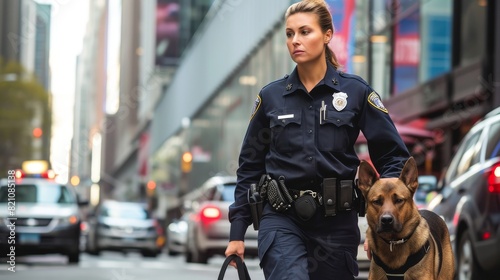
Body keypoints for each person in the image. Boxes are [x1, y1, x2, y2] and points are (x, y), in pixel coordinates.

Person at [225, 0, 410, 279]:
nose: (295, 41)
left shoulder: (356, 92)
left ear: (327, 35)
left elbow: (393, 156)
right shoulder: (271, 97)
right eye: (289, 34)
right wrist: (237, 232)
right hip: (281, 219)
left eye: (304, 32)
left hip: (337, 224)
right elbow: (250, 166)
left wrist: (379, 224)